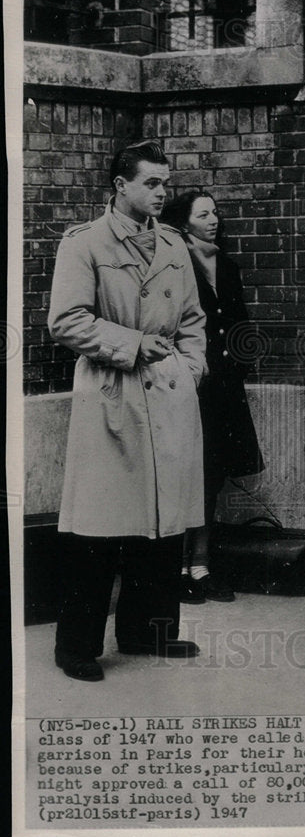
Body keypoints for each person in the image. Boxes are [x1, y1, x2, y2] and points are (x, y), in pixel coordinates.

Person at [48, 139, 207, 681]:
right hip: (111, 389)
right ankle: (76, 648)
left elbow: (192, 320)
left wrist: (190, 368)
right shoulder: (85, 243)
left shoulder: (173, 246)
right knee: (99, 528)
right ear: (120, 186)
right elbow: (66, 320)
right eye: (152, 183)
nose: (163, 193)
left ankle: (149, 632)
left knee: (162, 524)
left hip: (167, 393)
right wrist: (132, 344)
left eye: (166, 183)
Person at [161, 191, 264, 605]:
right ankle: (175, 569)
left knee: (213, 475)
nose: (214, 219)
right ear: (184, 223)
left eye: (215, 212)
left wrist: (239, 364)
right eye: (203, 214)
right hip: (189, 385)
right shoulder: (172, 264)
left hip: (223, 388)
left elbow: (238, 322)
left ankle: (200, 566)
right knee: (185, 476)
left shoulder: (227, 265)